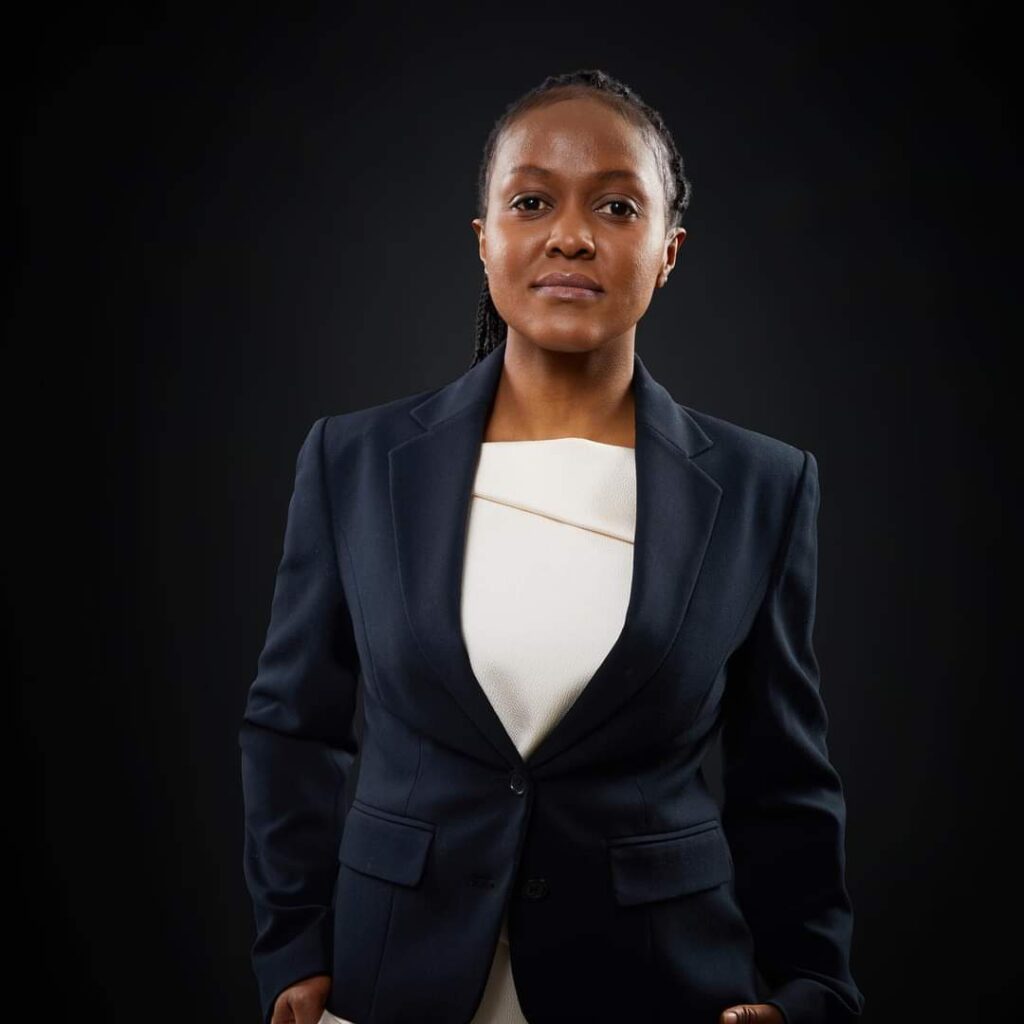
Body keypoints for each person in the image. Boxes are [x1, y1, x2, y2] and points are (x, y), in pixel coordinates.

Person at [239, 69, 866, 1024]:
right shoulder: (353, 461)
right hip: (392, 976)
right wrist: (292, 951)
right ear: (484, 238)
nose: (571, 235)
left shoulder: (762, 486)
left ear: (668, 251)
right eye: (532, 202)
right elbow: (293, 726)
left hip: (658, 985)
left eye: (616, 206)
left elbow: (782, 776)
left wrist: (812, 988)